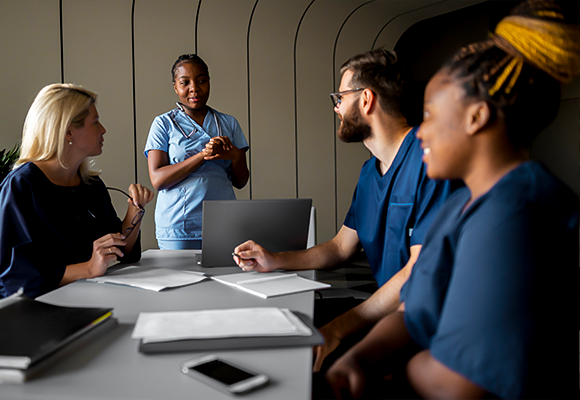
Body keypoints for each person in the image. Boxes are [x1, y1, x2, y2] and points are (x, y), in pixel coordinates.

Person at [325, 1, 579, 398]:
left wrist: (390, 372)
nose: (420, 132)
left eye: (430, 115)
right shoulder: (459, 208)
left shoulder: (518, 213)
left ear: (476, 117)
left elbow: (464, 383)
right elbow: (415, 311)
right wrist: (362, 358)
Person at [233, 48, 453, 371]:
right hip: (385, 314)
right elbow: (340, 247)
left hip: (424, 332)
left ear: (366, 100)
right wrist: (275, 260)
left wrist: (336, 329)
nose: (336, 107)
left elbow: (416, 273)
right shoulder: (369, 173)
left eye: (340, 97)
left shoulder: (429, 162)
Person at [0, 83, 154, 301]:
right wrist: (89, 268)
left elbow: (122, 252)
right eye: (95, 122)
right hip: (26, 311)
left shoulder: (91, 185)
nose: (103, 130)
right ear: (68, 131)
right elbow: (18, 277)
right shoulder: (21, 186)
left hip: (83, 297)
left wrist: (135, 210)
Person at [144, 54, 250, 250]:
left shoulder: (228, 123)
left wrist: (236, 155)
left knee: (223, 279)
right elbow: (158, 180)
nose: (194, 88)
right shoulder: (163, 124)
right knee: (180, 281)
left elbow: (241, 182)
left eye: (202, 80)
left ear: (209, 82)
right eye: (185, 82)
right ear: (175, 87)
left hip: (223, 224)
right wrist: (203, 155)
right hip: (179, 227)